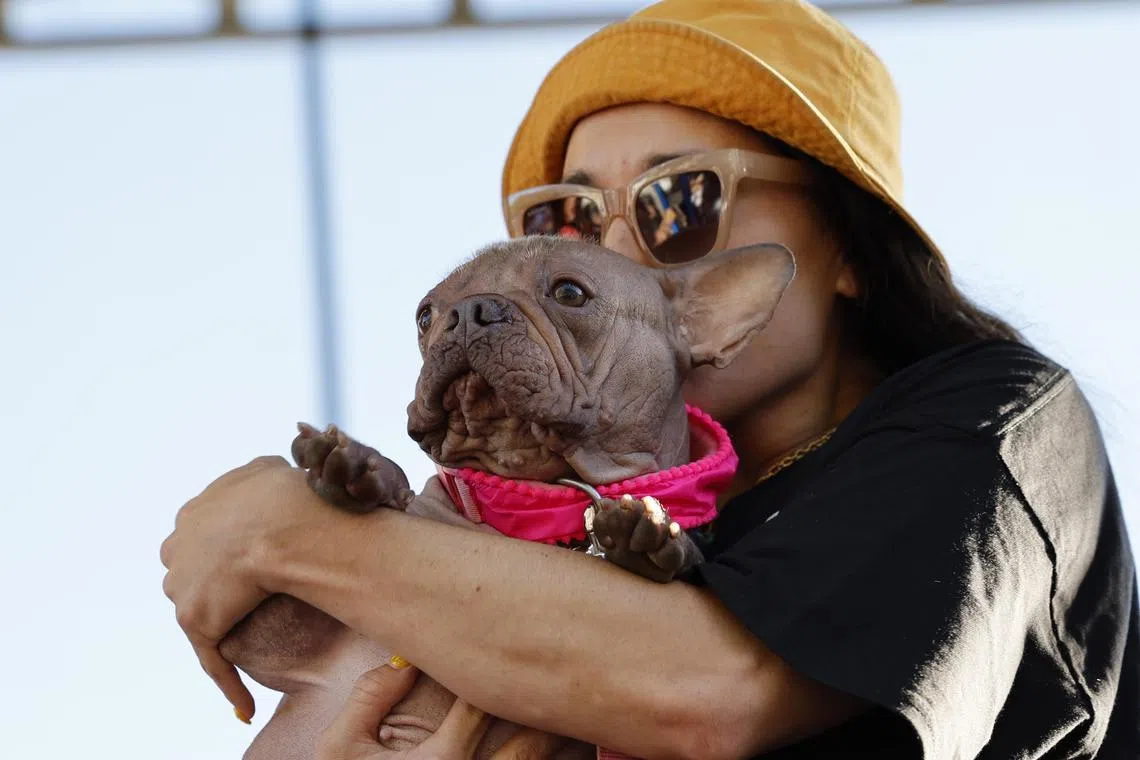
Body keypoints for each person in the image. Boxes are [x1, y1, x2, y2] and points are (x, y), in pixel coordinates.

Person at [160, 1, 1139, 757]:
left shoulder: (989, 421)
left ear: (847, 248)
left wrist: (289, 532)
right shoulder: (547, 508)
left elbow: (709, 690)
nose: (617, 253)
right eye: (569, 225)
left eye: (678, 201)